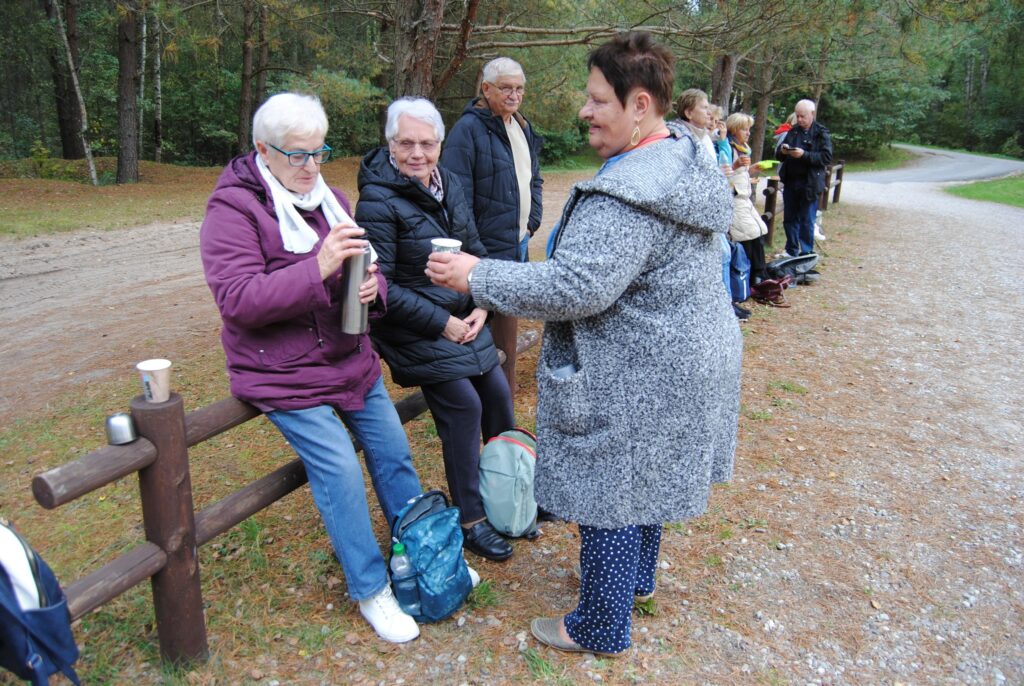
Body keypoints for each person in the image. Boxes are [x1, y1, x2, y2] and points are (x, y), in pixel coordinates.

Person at [427, 32, 741, 657]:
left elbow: (577, 286)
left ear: (641, 105)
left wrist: (475, 275)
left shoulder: (630, 191)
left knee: (612, 486)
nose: (585, 110)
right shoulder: (681, 157)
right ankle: (635, 583)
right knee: (645, 476)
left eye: (599, 99)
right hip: (686, 355)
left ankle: (600, 623)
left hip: (641, 366)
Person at [199, 93, 426, 644]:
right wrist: (318, 265)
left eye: (319, 153)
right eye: (297, 156)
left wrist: (375, 288)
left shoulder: (332, 199)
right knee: (340, 472)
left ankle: (426, 555)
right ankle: (372, 589)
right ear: (262, 150)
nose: (311, 168)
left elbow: (366, 269)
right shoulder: (233, 210)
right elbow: (238, 299)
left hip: (350, 361)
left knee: (395, 456)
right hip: (284, 375)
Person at [355, 97, 516, 563]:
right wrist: (441, 322)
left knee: (499, 397)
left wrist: (483, 303)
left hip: (464, 318)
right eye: (406, 143)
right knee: (464, 406)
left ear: (441, 144)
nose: (417, 153)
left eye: (426, 143)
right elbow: (378, 284)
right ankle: (471, 519)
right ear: (390, 144)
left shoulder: (452, 185)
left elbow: (478, 250)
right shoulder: (377, 200)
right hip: (413, 326)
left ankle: (507, 495)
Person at [441, 57, 544, 393]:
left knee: (507, 321)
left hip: (516, 241)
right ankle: (491, 397)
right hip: (484, 249)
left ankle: (504, 393)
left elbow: (533, 178)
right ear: (486, 89)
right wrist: (476, 250)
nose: (514, 95)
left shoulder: (521, 126)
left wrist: (532, 221)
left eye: (519, 89)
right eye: (506, 88)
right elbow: (457, 201)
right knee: (487, 325)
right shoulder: (466, 131)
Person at [777, 99, 833, 257]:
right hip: (791, 181)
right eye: (798, 116)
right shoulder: (793, 131)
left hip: (810, 183)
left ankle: (806, 252)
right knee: (789, 218)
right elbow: (779, 156)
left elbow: (826, 158)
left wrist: (804, 155)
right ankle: (791, 249)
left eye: (803, 116)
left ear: (812, 114)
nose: (799, 119)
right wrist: (784, 151)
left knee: (807, 220)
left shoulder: (821, 133)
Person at [726, 112, 768, 285]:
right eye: (744, 129)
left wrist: (751, 171)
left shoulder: (742, 149)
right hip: (735, 200)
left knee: (759, 231)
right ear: (735, 129)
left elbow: (739, 173)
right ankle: (752, 276)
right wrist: (736, 167)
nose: (748, 133)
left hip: (745, 200)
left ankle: (760, 273)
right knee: (748, 235)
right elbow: (724, 173)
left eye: (749, 129)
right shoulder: (727, 148)